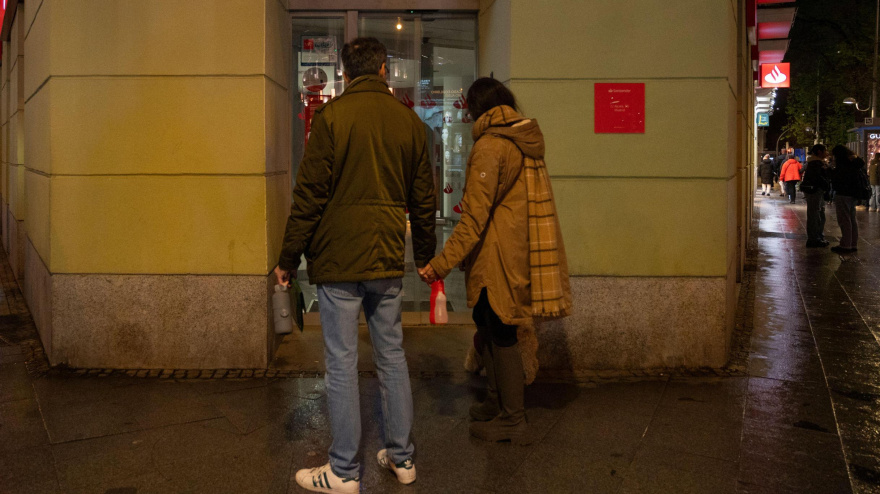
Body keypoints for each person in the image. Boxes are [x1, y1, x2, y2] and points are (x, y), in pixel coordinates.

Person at [274, 37, 436, 493]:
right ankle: (403, 459)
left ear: (345, 74)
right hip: (385, 256)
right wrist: (425, 256)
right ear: (384, 70)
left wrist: (288, 258)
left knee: (342, 364)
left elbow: (309, 197)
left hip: (339, 261)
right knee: (392, 357)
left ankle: (344, 471)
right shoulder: (409, 123)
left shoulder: (331, 119)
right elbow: (424, 200)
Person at [418, 78, 571, 445]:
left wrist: (440, 263)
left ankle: (512, 418)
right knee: (486, 321)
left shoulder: (491, 146)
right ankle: (495, 399)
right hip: (506, 248)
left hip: (497, 255)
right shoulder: (517, 138)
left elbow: (474, 217)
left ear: (476, 108)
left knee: (502, 331)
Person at [829, 145, 862, 254]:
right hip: (853, 194)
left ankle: (845, 244)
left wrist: (830, 171)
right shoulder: (854, 162)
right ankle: (853, 243)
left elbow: (838, 178)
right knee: (852, 219)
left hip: (843, 193)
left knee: (844, 219)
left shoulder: (843, 164)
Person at [800, 144, 831, 248]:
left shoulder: (815, 162)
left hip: (815, 191)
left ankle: (817, 237)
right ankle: (814, 239)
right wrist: (825, 185)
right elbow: (818, 178)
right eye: (825, 151)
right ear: (819, 152)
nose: (827, 153)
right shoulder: (815, 163)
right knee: (814, 215)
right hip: (814, 191)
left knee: (818, 214)